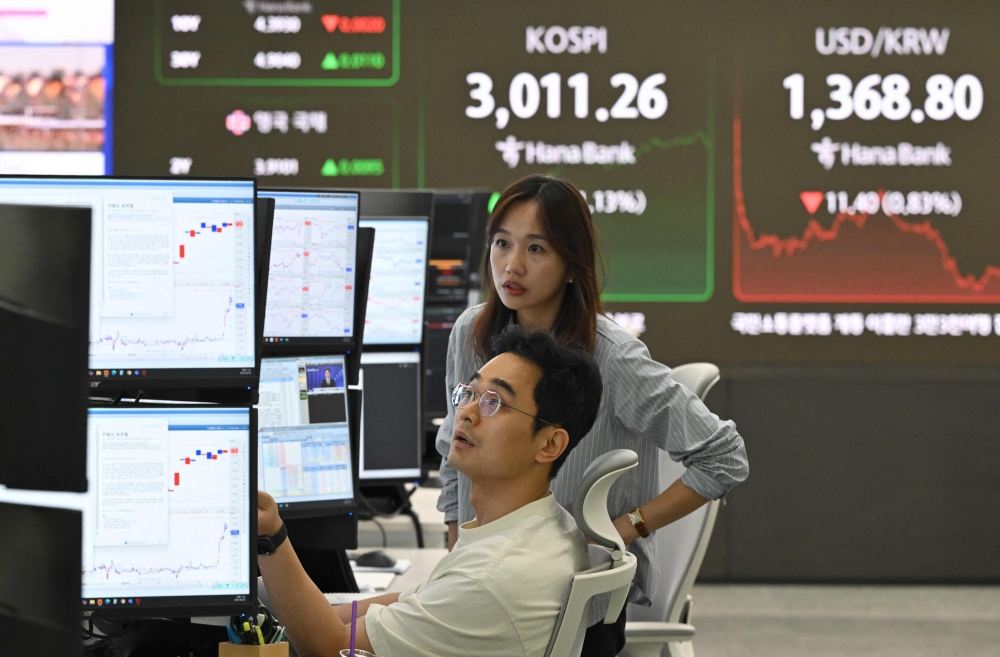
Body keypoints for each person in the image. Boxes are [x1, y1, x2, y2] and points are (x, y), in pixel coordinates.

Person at [435, 174, 750, 656]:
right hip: (487, 581)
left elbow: (724, 457)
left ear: (569, 266)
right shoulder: (471, 333)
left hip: (572, 598)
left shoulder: (613, 357)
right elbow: (454, 452)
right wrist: (459, 551)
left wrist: (622, 528)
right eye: (502, 243)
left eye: (536, 249)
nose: (512, 265)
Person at [257, 326, 604, 657]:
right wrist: (290, 608)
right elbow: (399, 606)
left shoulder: (489, 578)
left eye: (494, 402)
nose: (466, 413)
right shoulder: (539, 528)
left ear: (549, 444)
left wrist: (270, 537)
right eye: (470, 393)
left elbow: (330, 649)